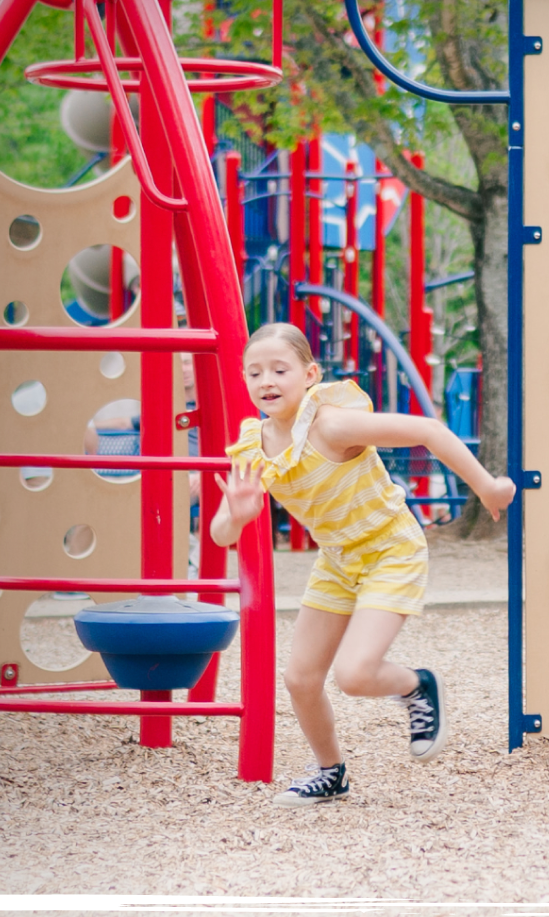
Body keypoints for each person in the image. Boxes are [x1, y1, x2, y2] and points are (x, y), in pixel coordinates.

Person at [210, 322, 516, 806]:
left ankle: (418, 687)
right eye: (254, 372)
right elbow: (219, 532)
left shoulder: (331, 424)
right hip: (337, 559)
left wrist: (486, 486)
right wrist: (239, 515)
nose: (266, 380)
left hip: (390, 549)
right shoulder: (254, 446)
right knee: (300, 679)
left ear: (309, 374)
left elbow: (428, 430)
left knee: (354, 675)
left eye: (279, 369)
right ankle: (330, 772)